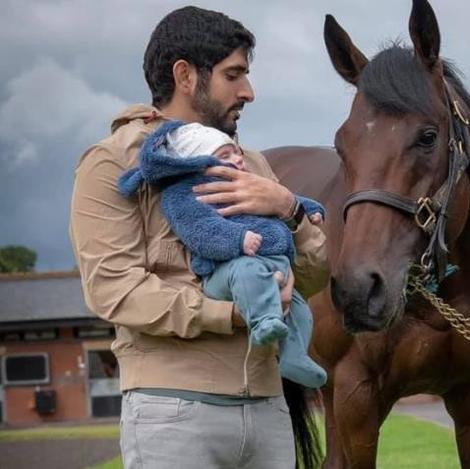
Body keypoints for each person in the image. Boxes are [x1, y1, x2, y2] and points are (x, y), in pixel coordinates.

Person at [69, 6, 328, 469]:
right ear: (185, 76)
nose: (248, 91)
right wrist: (232, 313)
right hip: (173, 412)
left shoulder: (254, 164)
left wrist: (288, 208)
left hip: (269, 409)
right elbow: (114, 289)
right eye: (234, 75)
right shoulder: (113, 163)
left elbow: (313, 276)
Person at [117, 120, 328, 389]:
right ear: (199, 162)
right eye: (224, 155)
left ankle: (295, 357)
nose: (237, 159)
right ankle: (264, 322)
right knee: (247, 274)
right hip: (228, 268)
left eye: (236, 152)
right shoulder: (186, 193)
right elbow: (201, 231)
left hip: (271, 264)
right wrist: (238, 240)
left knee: (300, 308)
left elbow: (287, 200)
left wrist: (305, 208)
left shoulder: (248, 180)